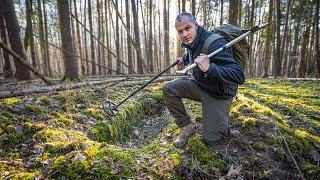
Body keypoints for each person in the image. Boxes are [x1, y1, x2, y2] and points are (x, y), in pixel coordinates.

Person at [162, 12, 245, 146]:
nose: (184, 34)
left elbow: (239, 75)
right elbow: (194, 52)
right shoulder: (193, 41)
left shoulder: (215, 43)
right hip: (202, 86)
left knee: (211, 140)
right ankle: (187, 127)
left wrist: (209, 68)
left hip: (219, 94)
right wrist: (184, 58)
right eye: (180, 31)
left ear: (196, 25)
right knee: (169, 88)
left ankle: (222, 122)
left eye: (188, 28)